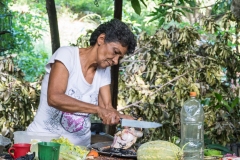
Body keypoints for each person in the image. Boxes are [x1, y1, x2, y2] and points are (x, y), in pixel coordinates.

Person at [27, 19, 137, 147]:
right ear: (101, 39)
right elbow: (54, 98)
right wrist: (97, 109)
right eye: (115, 52)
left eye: (120, 57)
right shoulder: (67, 55)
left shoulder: (104, 71)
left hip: (80, 150)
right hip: (44, 145)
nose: (116, 61)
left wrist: (121, 117)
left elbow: (107, 108)